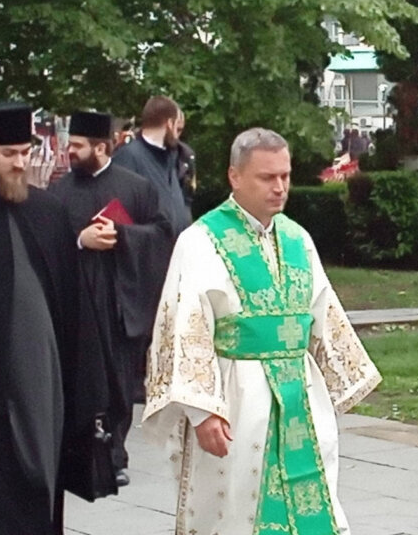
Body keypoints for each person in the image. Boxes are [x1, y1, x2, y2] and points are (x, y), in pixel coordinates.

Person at [142, 127, 381, 534]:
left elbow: (323, 312)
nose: (280, 187)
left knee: (310, 504)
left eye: (285, 176)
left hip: (300, 399)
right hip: (238, 399)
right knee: (236, 510)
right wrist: (202, 411)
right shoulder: (199, 242)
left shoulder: (297, 239)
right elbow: (185, 327)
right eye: (267, 177)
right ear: (235, 177)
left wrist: (342, 377)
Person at [0, 103, 115, 532]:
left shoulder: (47, 214)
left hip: (42, 395)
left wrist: (92, 395)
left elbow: (75, 310)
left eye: (26, 152)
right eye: (9, 154)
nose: (21, 163)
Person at [49, 110, 174, 487]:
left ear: (101, 147)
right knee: (81, 382)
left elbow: (162, 234)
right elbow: (47, 243)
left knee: (119, 384)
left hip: (121, 299)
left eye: (78, 146)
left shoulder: (137, 188)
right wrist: (79, 241)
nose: (70, 152)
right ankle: (79, 454)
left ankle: (115, 455)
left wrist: (122, 234)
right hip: (76, 300)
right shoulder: (58, 193)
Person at [112, 95, 192, 235]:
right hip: (147, 252)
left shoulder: (172, 156)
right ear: (170, 123)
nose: (178, 136)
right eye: (177, 128)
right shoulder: (128, 157)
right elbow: (120, 215)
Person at [173, 108, 197, 211]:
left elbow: (190, 190)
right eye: (174, 129)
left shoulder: (186, 154)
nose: (175, 134)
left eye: (179, 130)